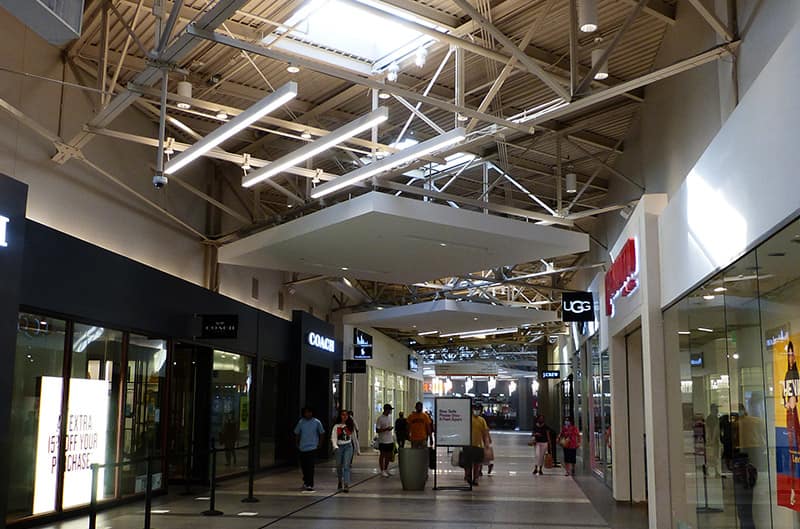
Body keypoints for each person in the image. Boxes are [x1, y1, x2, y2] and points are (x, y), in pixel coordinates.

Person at [293, 407, 325, 491]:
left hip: (312, 447)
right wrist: (296, 443)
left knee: (310, 466)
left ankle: (310, 484)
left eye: (309, 412)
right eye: (306, 412)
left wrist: (320, 444)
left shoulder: (317, 422)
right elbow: (297, 433)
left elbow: (322, 433)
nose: (308, 414)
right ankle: (305, 481)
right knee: (304, 466)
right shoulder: (301, 422)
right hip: (303, 447)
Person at [465, 403, 490, 486]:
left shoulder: (482, 420)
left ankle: (475, 478)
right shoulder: (467, 419)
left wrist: (486, 444)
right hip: (468, 445)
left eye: (478, 409)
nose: (476, 410)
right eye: (475, 409)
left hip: (478, 445)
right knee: (468, 463)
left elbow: (485, 433)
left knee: (477, 464)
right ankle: (468, 476)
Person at [331, 409, 355, 492]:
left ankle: (346, 484)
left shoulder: (350, 425)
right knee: (338, 466)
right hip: (339, 447)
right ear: (340, 416)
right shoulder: (336, 426)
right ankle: (340, 481)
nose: (344, 416)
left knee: (346, 465)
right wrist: (335, 446)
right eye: (342, 415)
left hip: (348, 447)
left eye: (346, 415)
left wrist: (357, 449)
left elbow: (352, 436)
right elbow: (333, 437)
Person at [376, 404, 394, 477]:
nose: (391, 411)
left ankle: (386, 469)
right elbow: (377, 430)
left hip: (390, 440)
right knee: (382, 455)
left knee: (388, 456)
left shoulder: (389, 418)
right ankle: (382, 470)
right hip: (383, 440)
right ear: (386, 410)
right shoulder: (380, 418)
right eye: (390, 410)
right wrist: (386, 429)